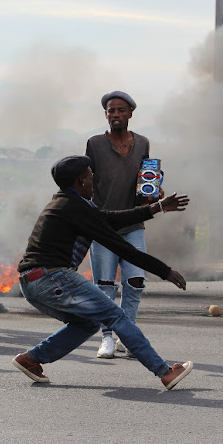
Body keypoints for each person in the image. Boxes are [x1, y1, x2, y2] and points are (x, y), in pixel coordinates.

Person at [11, 155, 193, 389]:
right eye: (90, 177)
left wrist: (155, 208)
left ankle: (31, 359)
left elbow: (108, 220)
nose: (93, 182)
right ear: (80, 182)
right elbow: (120, 245)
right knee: (115, 316)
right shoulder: (72, 206)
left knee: (86, 324)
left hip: (32, 284)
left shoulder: (66, 203)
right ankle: (164, 372)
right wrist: (164, 271)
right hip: (52, 277)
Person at [86, 90, 155, 359]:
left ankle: (128, 334)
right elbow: (86, 181)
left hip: (133, 223)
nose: (115, 115)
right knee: (105, 285)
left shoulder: (142, 143)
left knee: (135, 281)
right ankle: (107, 337)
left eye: (120, 110)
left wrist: (153, 192)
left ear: (130, 114)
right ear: (106, 114)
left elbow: (146, 180)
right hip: (102, 225)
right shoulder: (94, 144)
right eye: (111, 111)